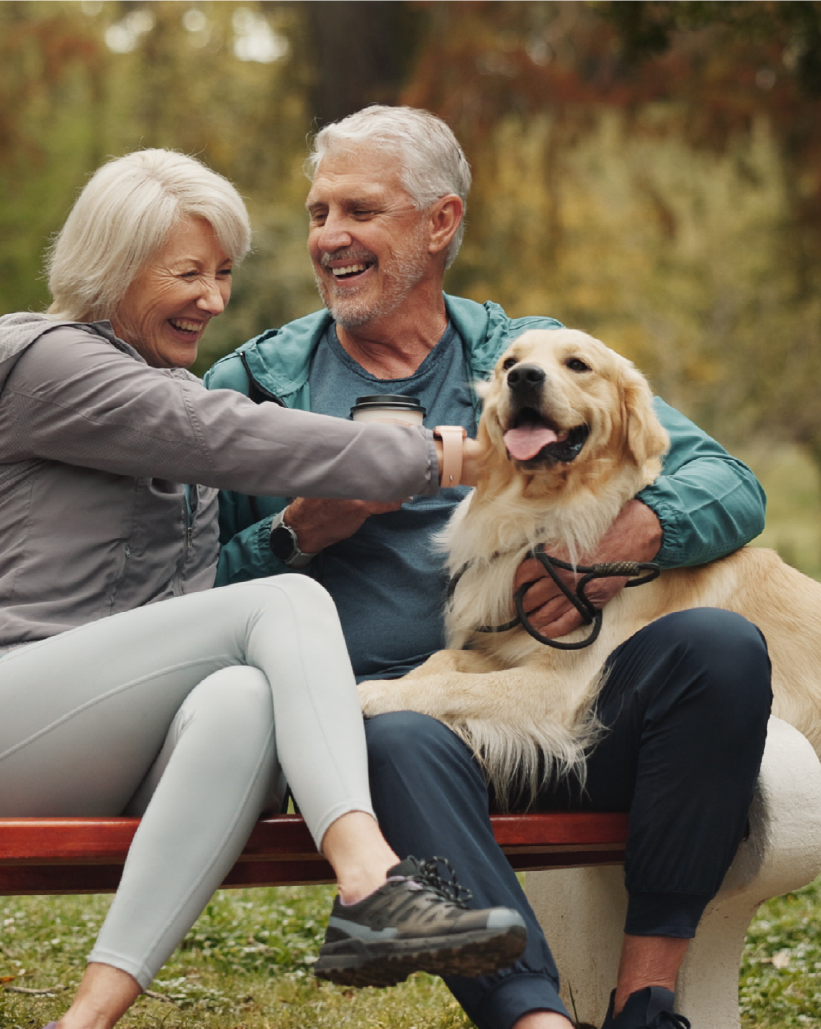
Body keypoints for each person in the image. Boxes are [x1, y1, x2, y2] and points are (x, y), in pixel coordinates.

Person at [0, 147, 531, 1029]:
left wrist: (291, 534)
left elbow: (186, 598)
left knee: (246, 697)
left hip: (109, 741)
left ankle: (83, 1020)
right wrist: (445, 454)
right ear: (113, 268)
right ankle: (370, 877)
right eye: (187, 273)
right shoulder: (42, 359)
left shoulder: (163, 387)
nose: (214, 299)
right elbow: (224, 433)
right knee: (285, 604)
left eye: (223, 274)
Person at [205, 106, 773, 1029]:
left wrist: (614, 543)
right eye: (318, 214)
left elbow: (728, 482)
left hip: (561, 703)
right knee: (398, 732)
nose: (330, 237)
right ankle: (533, 1017)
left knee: (717, 645)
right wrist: (294, 534)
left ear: (440, 223)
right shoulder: (258, 388)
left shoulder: (525, 354)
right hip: (386, 733)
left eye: (360, 209)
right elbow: (176, 592)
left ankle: (647, 999)